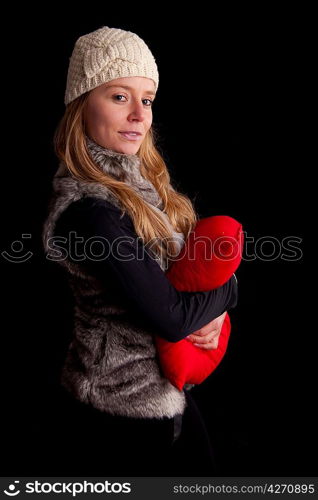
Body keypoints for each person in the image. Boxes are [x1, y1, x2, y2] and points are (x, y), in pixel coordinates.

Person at [42, 25, 238, 477]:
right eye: (118, 96)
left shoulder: (145, 191)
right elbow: (170, 316)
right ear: (81, 105)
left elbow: (194, 273)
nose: (138, 114)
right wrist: (221, 300)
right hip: (117, 411)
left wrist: (214, 301)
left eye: (146, 99)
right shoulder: (88, 211)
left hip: (169, 397)